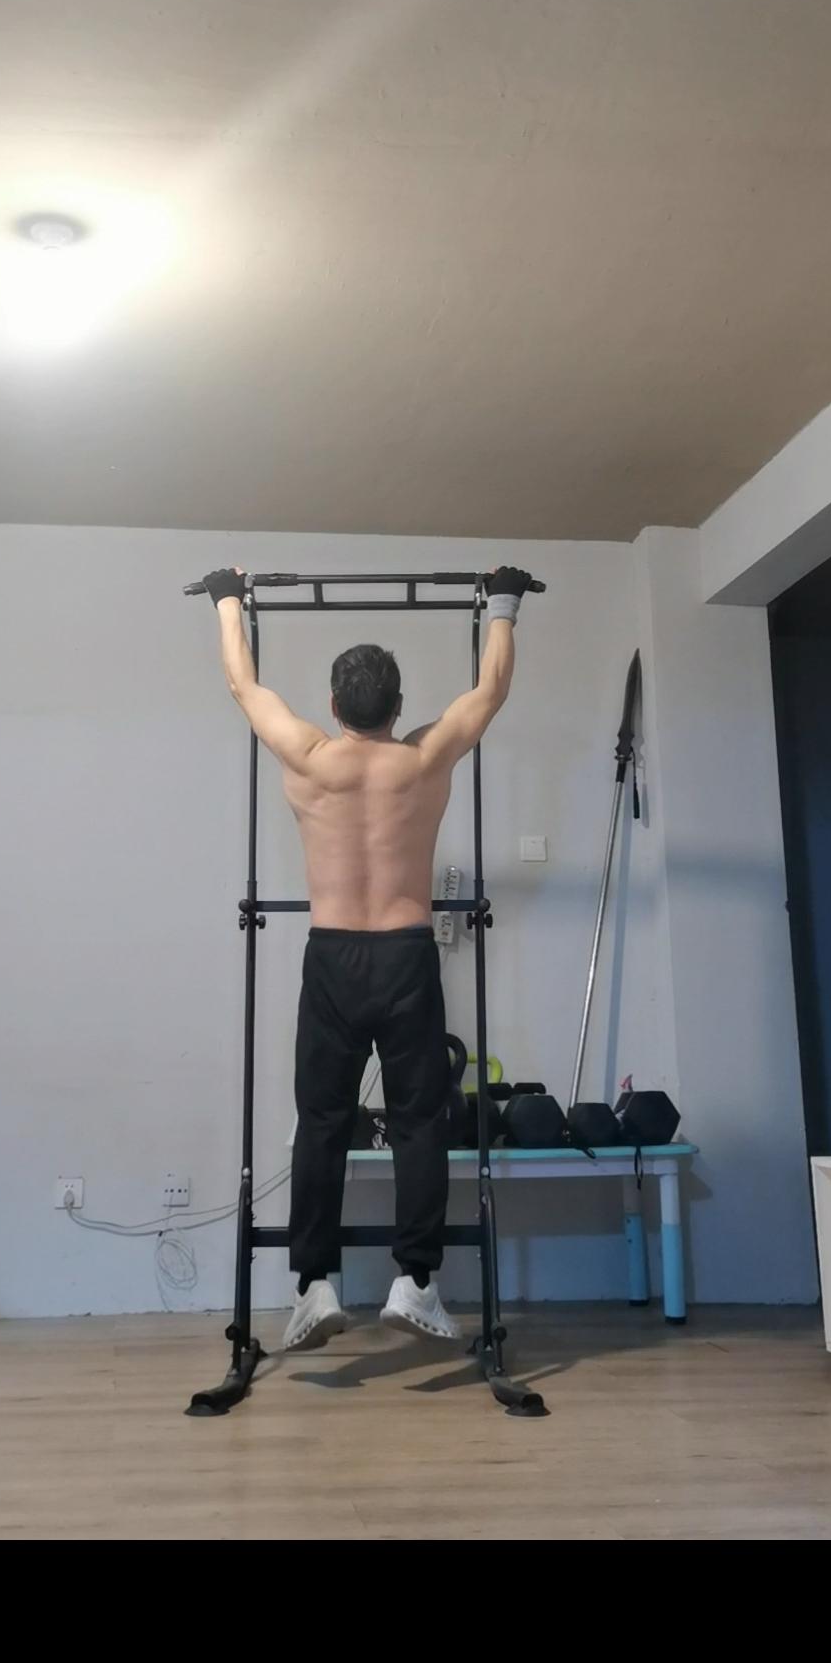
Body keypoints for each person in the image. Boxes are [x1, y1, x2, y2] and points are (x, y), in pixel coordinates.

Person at [202, 564, 533, 1351]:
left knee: (322, 1120)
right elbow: (490, 690)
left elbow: (244, 685)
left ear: (333, 704)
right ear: (398, 706)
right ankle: (415, 1283)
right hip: (406, 956)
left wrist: (226, 599)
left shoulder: (309, 757)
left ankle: (314, 1285)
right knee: (419, 1123)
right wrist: (504, 602)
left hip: (333, 958)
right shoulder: (423, 762)